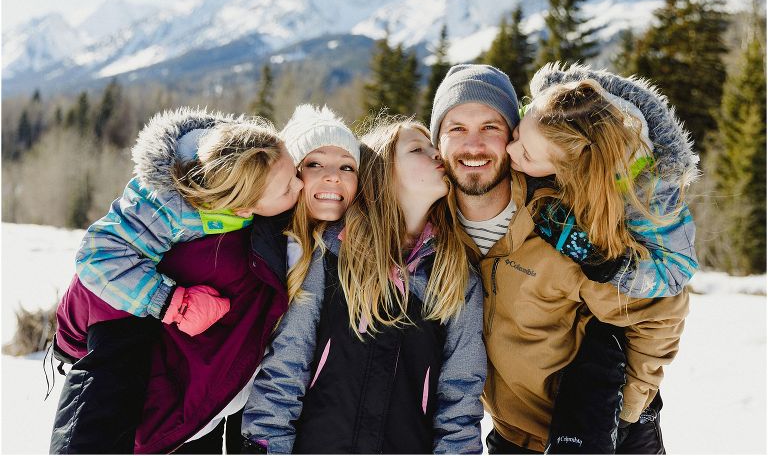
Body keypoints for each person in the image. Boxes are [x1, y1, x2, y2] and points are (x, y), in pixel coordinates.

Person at [51, 104, 360, 454]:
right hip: (120, 331)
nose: (302, 183)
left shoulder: (250, 201)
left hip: (202, 414)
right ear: (245, 206)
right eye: (294, 180)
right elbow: (100, 256)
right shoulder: (175, 208)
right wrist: (173, 302)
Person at [429, 64, 693, 454]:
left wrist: (627, 414)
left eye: (491, 127)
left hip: (592, 437)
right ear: (438, 143)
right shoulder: (435, 230)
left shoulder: (564, 225)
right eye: (457, 128)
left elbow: (658, 311)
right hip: (510, 440)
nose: (474, 145)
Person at [241, 120, 486, 454]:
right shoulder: (327, 254)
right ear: (383, 171)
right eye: (418, 149)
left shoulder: (454, 275)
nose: (437, 154)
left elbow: (461, 396)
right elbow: (285, 368)